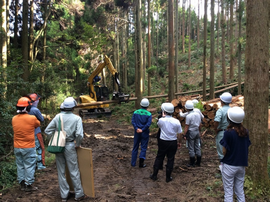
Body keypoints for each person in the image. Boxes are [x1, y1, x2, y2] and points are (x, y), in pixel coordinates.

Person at [45, 97, 88, 201]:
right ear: (73, 107)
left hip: (59, 145)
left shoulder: (57, 117)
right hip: (70, 145)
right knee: (74, 170)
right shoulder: (77, 118)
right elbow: (79, 134)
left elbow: (47, 131)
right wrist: (77, 144)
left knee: (61, 171)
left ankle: (64, 195)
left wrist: (54, 139)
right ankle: (79, 194)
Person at [220, 107, 251, 202]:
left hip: (229, 164)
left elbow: (224, 150)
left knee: (228, 191)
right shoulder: (246, 132)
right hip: (241, 165)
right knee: (240, 190)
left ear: (229, 119)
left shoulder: (228, 133)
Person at [12, 96, 40, 192]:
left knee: (20, 165)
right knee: (29, 165)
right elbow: (38, 124)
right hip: (28, 147)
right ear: (28, 108)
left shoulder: (14, 119)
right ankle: (29, 184)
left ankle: (22, 183)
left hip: (17, 147)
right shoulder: (32, 118)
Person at [150, 103, 182, 182]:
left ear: (164, 111)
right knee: (170, 159)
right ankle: (168, 177)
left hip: (163, 141)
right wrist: (179, 142)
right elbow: (180, 133)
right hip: (173, 141)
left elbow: (159, 126)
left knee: (159, 157)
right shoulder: (177, 121)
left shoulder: (161, 120)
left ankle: (154, 175)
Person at [131, 98, 152, 168]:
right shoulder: (149, 114)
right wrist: (142, 129)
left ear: (140, 104)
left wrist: (136, 128)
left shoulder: (135, 112)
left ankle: (133, 163)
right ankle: (141, 163)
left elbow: (133, 121)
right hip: (144, 132)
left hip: (137, 132)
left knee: (135, 147)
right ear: (148, 105)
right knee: (143, 147)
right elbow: (148, 124)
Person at [28, 93, 46, 170]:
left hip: (27, 133)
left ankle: (32, 165)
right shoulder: (35, 110)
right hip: (36, 132)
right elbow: (41, 119)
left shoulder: (24, 109)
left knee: (31, 149)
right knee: (39, 148)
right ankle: (40, 165)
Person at [182, 100, 202, 167]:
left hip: (191, 132)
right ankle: (198, 162)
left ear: (186, 108)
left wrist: (184, 134)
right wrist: (199, 132)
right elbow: (199, 124)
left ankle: (192, 162)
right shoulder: (198, 114)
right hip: (197, 131)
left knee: (191, 147)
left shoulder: (188, 116)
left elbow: (186, 126)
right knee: (197, 146)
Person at [214, 92, 232, 162]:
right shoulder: (232, 110)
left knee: (222, 151)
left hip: (222, 132)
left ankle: (223, 168)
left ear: (222, 101)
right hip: (231, 132)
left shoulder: (220, 110)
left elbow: (216, 120)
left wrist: (216, 129)